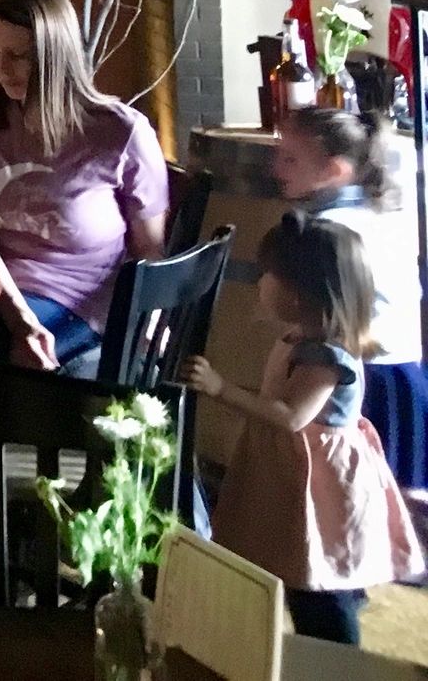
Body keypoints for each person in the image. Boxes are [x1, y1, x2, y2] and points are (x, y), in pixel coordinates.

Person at [184, 214, 424, 643]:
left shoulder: (325, 358)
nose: (260, 283)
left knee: (317, 579)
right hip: (291, 472)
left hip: (318, 482)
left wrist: (221, 389)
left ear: (298, 293)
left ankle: (337, 659)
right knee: (295, 563)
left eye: (268, 276)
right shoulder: (300, 340)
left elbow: (291, 417)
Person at [0, 0, 168, 375]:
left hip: (79, 302)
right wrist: (20, 320)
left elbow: (150, 252)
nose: (2, 68)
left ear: (55, 53)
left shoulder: (120, 131)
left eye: (19, 55)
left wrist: (152, 323)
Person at [271, 106, 428, 507]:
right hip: (397, 368)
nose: (276, 167)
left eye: (290, 158)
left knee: (366, 498)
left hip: (370, 375)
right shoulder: (373, 214)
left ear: (334, 170)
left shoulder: (332, 232)